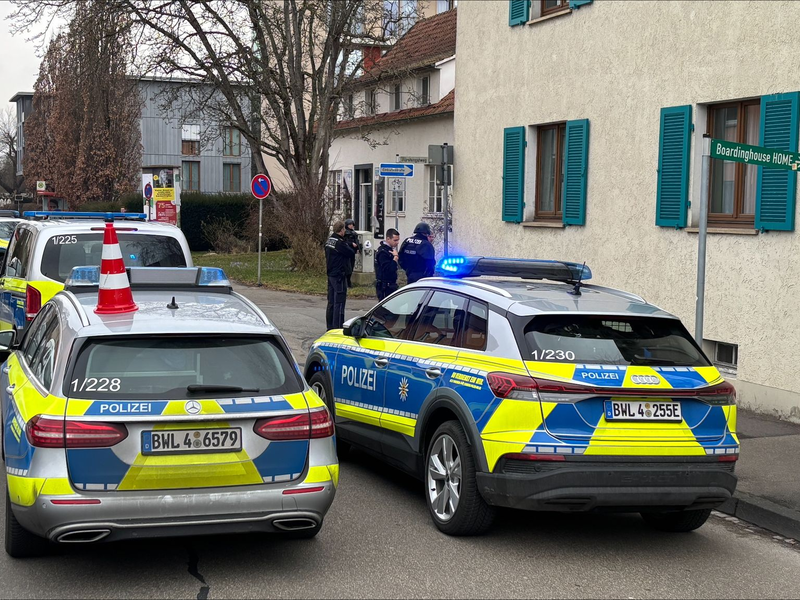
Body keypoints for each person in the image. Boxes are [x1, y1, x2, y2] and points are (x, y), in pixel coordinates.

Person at [325, 221, 356, 330]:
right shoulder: (339, 243)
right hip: (339, 275)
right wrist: (350, 244)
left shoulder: (329, 241)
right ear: (342, 230)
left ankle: (330, 327)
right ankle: (337, 328)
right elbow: (350, 252)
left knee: (331, 303)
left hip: (331, 274)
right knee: (339, 302)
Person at [374, 228, 401, 300]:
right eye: (395, 240)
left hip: (390, 284)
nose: (397, 242)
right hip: (385, 286)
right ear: (388, 239)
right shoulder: (383, 252)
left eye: (398, 240)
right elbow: (388, 269)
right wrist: (395, 258)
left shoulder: (389, 250)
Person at [342, 218, 360, 288]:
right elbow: (344, 242)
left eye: (352, 224)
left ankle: (349, 282)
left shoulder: (353, 232)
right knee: (348, 268)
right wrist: (351, 243)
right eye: (350, 224)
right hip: (348, 252)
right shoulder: (345, 233)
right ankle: (347, 282)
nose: (351, 225)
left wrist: (358, 248)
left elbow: (357, 241)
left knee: (351, 267)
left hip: (353, 252)